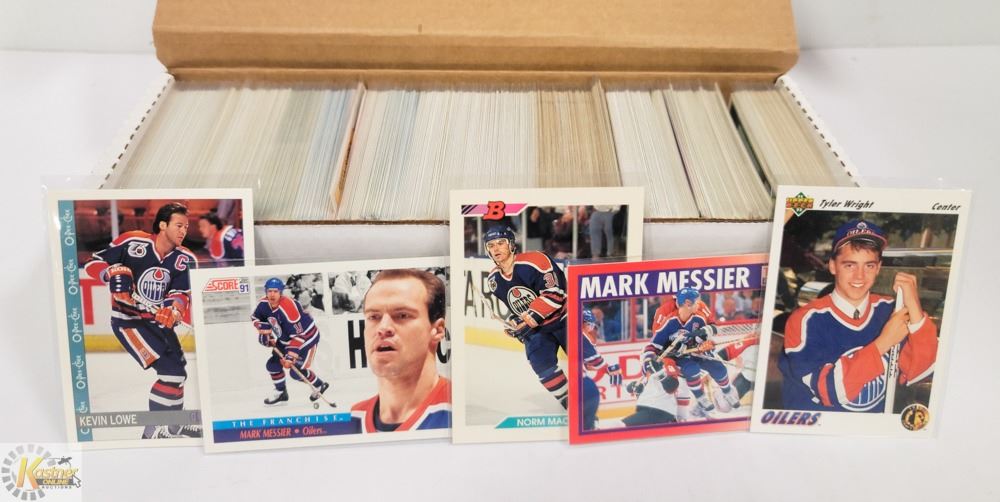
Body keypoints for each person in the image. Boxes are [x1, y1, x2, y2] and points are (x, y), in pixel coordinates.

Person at [779, 219, 938, 412]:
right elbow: (830, 391)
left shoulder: (890, 310)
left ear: (878, 268)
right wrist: (883, 342)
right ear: (832, 266)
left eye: (869, 266)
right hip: (823, 428)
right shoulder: (805, 320)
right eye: (850, 265)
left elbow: (921, 372)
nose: (859, 276)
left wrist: (914, 305)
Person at [83, 202, 200, 439]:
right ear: (162, 225)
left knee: (178, 372)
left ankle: (174, 427)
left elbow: (180, 294)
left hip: (158, 323)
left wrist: (173, 311)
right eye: (179, 225)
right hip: (129, 321)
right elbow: (92, 263)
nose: (183, 231)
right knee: (171, 374)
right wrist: (109, 273)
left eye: (186, 227)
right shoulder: (133, 242)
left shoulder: (185, 258)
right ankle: (152, 432)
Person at [482, 226, 610, 409]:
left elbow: (555, 294)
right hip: (539, 327)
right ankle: (571, 403)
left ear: (511, 244)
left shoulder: (535, 260)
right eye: (491, 245)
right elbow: (520, 309)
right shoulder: (494, 280)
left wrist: (527, 320)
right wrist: (516, 323)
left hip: (565, 317)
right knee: (540, 363)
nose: (496, 248)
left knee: (590, 359)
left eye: (501, 243)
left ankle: (609, 398)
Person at [351, 269, 451, 432]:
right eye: (374, 317)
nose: (383, 328)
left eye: (402, 315)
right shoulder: (351, 419)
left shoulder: (462, 413)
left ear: (438, 330)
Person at [641, 287, 741, 415]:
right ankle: (700, 397)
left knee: (719, 367)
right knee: (692, 370)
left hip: (697, 352)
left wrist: (704, 342)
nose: (699, 304)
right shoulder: (669, 321)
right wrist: (649, 358)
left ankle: (727, 392)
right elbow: (654, 345)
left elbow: (710, 332)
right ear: (688, 303)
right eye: (697, 301)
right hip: (680, 357)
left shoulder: (699, 318)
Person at [251, 278, 331, 406]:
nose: (272, 294)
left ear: (281, 292)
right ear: (266, 291)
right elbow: (256, 318)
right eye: (269, 291)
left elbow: (299, 336)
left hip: (306, 338)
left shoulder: (288, 308)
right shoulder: (263, 304)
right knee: (272, 365)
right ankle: (281, 393)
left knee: (295, 372)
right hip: (286, 338)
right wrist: (265, 332)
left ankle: (319, 385)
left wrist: (290, 356)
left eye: (275, 291)